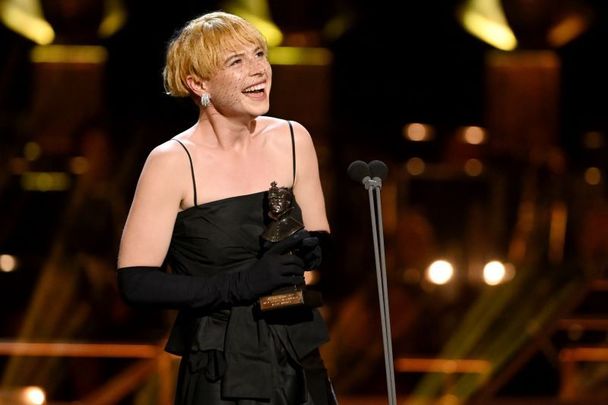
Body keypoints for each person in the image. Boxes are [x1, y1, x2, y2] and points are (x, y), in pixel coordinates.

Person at [116, 10, 336, 405]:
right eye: (237, 62)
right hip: (221, 366)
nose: (259, 70)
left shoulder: (292, 138)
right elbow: (137, 282)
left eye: (259, 54)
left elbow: (317, 235)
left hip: (295, 353)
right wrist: (242, 284)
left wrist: (312, 249)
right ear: (197, 82)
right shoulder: (172, 161)